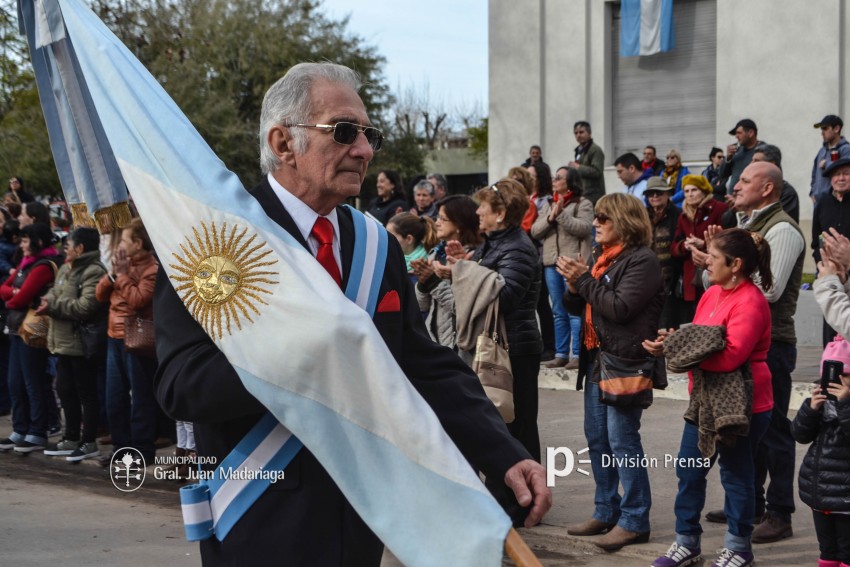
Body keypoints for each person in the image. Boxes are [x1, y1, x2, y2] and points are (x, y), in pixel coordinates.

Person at [153, 62, 551, 565]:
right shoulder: (216, 244)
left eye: (368, 135)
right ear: (282, 143)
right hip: (259, 516)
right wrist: (311, 344)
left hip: (360, 517)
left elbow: (418, 364)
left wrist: (503, 451)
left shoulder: (373, 245)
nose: (363, 150)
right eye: (343, 132)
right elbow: (182, 386)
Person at [647, 228, 774, 567]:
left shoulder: (751, 300)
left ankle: (738, 549)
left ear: (736, 264)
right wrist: (672, 341)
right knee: (689, 471)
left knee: (736, 477)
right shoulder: (712, 292)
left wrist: (680, 349)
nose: (706, 264)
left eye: (713, 258)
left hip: (742, 405)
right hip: (703, 403)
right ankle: (686, 543)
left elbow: (731, 355)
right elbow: (699, 335)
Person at [696, 162, 805, 545]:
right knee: (742, 427)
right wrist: (712, 265)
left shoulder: (782, 229)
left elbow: (768, 290)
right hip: (739, 337)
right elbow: (721, 282)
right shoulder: (742, 225)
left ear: (768, 188)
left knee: (774, 431)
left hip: (772, 344)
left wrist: (722, 269)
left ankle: (779, 513)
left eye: (745, 180)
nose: (735, 185)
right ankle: (750, 504)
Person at [556, 193, 663, 552]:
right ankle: (606, 510)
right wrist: (575, 286)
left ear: (626, 222)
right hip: (599, 359)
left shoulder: (642, 260)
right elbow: (583, 305)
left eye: (604, 218)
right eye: (596, 217)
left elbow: (619, 307)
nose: (596, 223)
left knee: (622, 441)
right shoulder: (604, 260)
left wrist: (584, 280)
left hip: (625, 361)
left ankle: (634, 520)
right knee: (598, 440)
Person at [448, 179, 543, 460]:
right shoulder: (494, 244)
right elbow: (482, 282)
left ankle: (522, 500)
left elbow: (505, 295)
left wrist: (463, 271)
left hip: (515, 349)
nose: (477, 213)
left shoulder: (517, 247)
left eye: (483, 208)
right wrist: (460, 267)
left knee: (516, 428)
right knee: (498, 425)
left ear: (500, 214)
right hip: (502, 345)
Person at [39, 227, 107, 462]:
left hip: (81, 342)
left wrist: (54, 306)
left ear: (80, 248)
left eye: (68, 244)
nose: (64, 248)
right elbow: (53, 292)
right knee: (65, 390)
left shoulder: (93, 271)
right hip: (62, 341)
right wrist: (47, 300)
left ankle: (89, 441)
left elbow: (86, 306)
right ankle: (70, 438)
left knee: (86, 392)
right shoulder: (66, 268)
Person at [95, 217, 159, 463]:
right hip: (114, 336)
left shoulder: (151, 269)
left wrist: (121, 276)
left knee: (140, 398)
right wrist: (113, 274)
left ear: (138, 243)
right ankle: (121, 449)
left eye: (124, 239)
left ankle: (143, 450)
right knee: (115, 397)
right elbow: (99, 295)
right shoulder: (123, 265)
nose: (120, 244)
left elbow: (138, 300)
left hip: (136, 339)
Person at [0, 223, 61, 453]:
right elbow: (4, 289)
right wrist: (14, 294)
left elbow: (18, 298)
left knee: (32, 381)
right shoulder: (25, 264)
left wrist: (13, 295)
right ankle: (20, 427)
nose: (22, 245)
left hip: (31, 331)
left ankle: (37, 431)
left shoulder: (43, 265)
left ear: (38, 241)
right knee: (15, 382)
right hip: (16, 328)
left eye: (26, 241)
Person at [792, 336, 850, 567]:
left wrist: (845, 403)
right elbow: (799, 435)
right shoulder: (824, 402)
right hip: (820, 493)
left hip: (846, 498)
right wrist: (810, 409)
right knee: (827, 551)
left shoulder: (844, 405)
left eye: (844, 375)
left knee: (846, 552)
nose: (837, 380)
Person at [531, 166, 593, 369]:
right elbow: (535, 231)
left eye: (558, 178)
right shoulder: (548, 204)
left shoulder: (582, 203)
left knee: (574, 310)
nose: (554, 181)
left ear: (570, 181)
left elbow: (584, 227)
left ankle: (577, 354)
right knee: (558, 310)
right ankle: (561, 353)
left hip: (572, 263)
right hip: (550, 263)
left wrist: (561, 214)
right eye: (554, 178)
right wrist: (551, 216)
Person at [411, 195, 482, 351]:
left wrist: (433, 282)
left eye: (443, 219)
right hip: (435, 338)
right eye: (437, 217)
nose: (436, 222)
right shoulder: (435, 254)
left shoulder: (474, 256)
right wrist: (423, 283)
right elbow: (422, 306)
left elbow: (462, 309)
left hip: (461, 343)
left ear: (459, 224)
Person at [671, 175, 727, 321]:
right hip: (691, 277)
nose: (689, 194)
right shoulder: (683, 216)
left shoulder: (719, 209)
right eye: (686, 191)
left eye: (694, 190)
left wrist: (703, 244)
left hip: (715, 272)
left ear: (703, 190)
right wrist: (685, 245)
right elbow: (674, 246)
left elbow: (729, 240)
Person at [812, 157, 850, 346]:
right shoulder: (823, 202)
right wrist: (823, 264)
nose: (841, 178)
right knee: (831, 320)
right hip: (829, 272)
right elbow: (814, 240)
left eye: (846, 173)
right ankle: (830, 368)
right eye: (836, 175)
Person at [644, 177, 684, 329]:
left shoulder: (678, 214)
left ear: (668, 194)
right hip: (646, 275)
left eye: (659, 193)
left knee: (668, 319)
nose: (654, 196)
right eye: (651, 194)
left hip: (670, 276)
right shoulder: (644, 215)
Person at [386, 212, 438, 284]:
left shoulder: (423, 268)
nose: (387, 241)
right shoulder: (395, 259)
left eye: (391, 237)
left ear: (409, 239)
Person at [810, 114, 850, 205]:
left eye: (825, 128)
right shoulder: (822, 150)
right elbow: (814, 173)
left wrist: (827, 164)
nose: (822, 133)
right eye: (821, 129)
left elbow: (846, 173)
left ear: (836, 129)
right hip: (818, 202)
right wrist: (812, 193)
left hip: (834, 202)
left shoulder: (845, 149)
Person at [569, 121, 606, 204]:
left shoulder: (595, 150)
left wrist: (578, 167)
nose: (578, 135)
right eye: (576, 133)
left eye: (581, 132)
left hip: (594, 196)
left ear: (589, 133)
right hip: (583, 194)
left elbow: (597, 171)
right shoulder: (579, 150)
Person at [721, 119, 760, 197]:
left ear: (751, 133)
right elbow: (722, 174)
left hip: (752, 199)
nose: (736, 136)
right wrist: (728, 158)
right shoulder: (736, 149)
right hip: (733, 199)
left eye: (739, 133)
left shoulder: (763, 150)